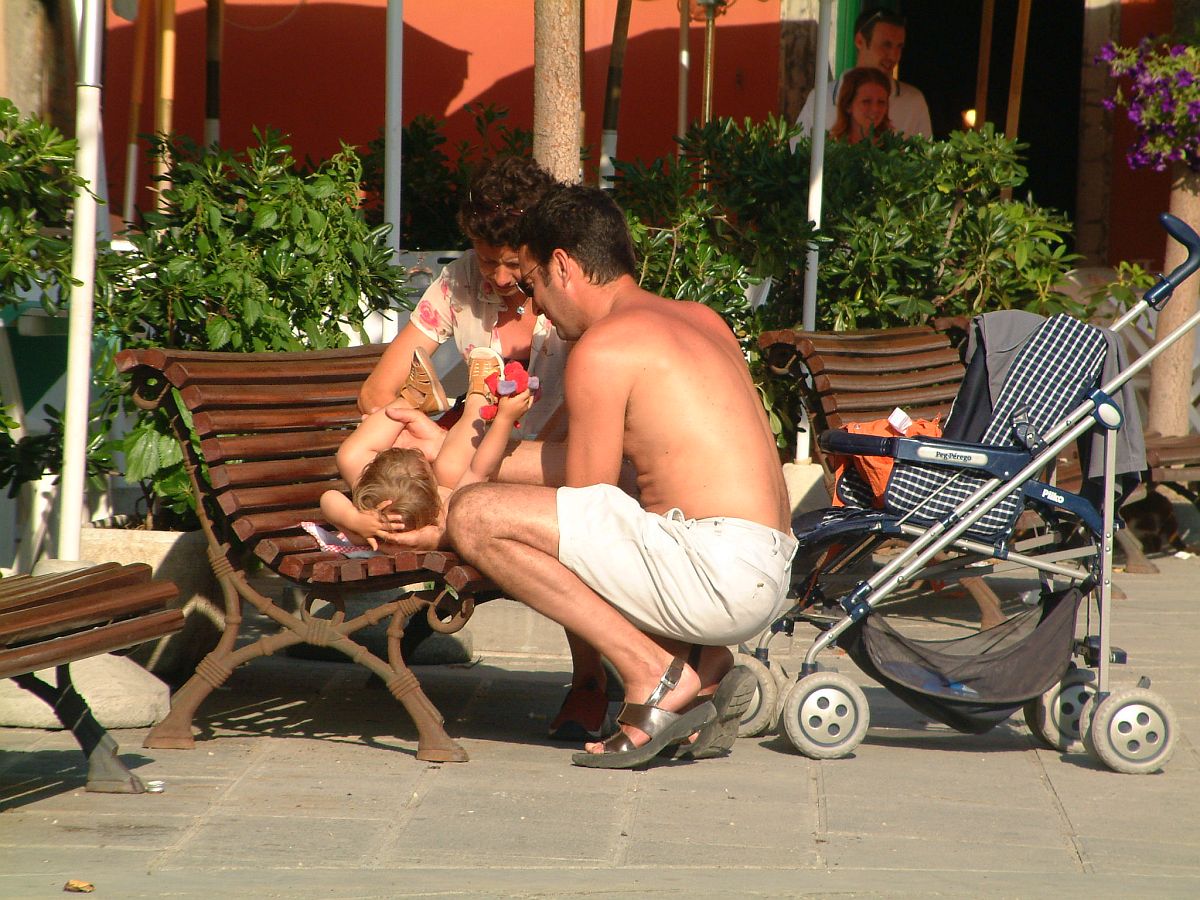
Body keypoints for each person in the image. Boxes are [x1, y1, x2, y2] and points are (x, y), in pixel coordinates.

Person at [444, 184, 798, 769]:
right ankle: (702, 665)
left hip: (715, 573)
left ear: (562, 266)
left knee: (476, 517)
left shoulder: (605, 347)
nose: (536, 311)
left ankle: (652, 671)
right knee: (553, 502)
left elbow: (584, 497)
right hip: (764, 563)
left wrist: (462, 470)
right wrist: (480, 457)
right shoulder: (699, 319)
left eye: (531, 284)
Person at [358, 156, 567, 440]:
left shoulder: (570, 289)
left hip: (545, 460)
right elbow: (375, 392)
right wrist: (427, 440)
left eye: (515, 264)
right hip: (467, 456)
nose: (502, 278)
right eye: (487, 261)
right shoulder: (461, 280)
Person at [322, 348, 533, 549]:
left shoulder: (367, 530)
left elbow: (328, 498)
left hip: (389, 496)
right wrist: (504, 419)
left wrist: (353, 519)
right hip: (447, 493)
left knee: (349, 456)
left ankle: (414, 396)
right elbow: (480, 468)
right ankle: (478, 400)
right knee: (452, 464)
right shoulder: (445, 510)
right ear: (431, 481)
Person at [790, 6, 930, 150]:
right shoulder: (821, 97)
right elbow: (797, 156)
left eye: (899, 47)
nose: (894, 56)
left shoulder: (914, 101)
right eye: (886, 45)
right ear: (859, 41)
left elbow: (926, 162)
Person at [830, 67, 892, 144]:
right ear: (848, 105)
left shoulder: (893, 149)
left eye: (881, 102)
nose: (875, 108)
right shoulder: (827, 149)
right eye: (866, 101)